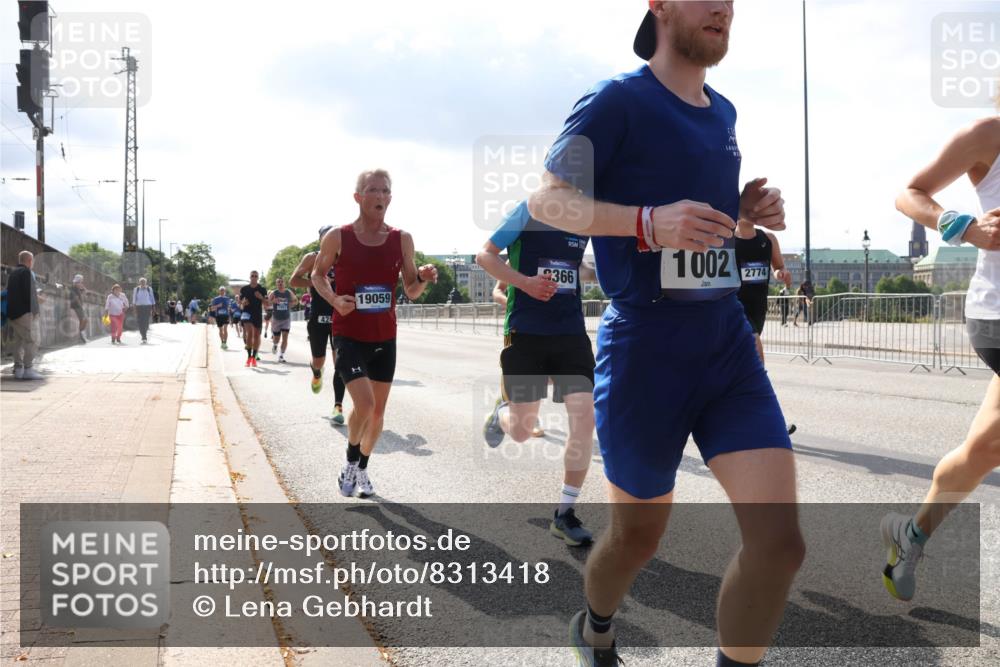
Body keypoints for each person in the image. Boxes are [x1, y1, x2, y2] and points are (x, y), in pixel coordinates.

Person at [527, 4, 803, 665]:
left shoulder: (725, 112)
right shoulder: (617, 101)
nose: (722, 8)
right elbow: (547, 201)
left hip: (725, 343)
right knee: (636, 539)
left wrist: (742, 216)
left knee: (780, 544)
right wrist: (647, 222)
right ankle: (595, 625)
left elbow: (700, 230)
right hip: (645, 349)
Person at [880, 109, 1000, 601]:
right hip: (998, 315)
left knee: (983, 451)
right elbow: (909, 194)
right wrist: (965, 228)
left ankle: (912, 534)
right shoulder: (987, 134)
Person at [311, 169, 438, 499]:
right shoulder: (338, 237)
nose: (381, 195)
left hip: (384, 336)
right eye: (373, 190)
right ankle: (351, 460)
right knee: (364, 405)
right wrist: (336, 300)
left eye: (386, 190)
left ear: (390, 198)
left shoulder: (402, 239)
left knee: (378, 413)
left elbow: (410, 290)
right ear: (358, 197)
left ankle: (362, 467)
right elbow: (317, 275)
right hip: (348, 333)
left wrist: (424, 277)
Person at [479, 200, 599, 546]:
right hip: (527, 333)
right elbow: (484, 256)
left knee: (584, 416)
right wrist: (525, 283)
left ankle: (565, 513)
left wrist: (599, 273)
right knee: (520, 430)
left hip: (571, 335)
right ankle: (501, 412)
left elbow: (578, 269)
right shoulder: (528, 211)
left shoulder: (588, 218)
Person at [735, 220, 797, 436]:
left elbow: (778, 267)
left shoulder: (767, 239)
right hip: (733, 309)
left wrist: (781, 274)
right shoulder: (725, 239)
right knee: (757, 361)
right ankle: (771, 422)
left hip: (757, 310)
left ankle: (739, 418)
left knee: (741, 371)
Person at [291, 225, 348, 424]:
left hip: (339, 313)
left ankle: (338, 406)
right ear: (321, 240)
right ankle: (316, 372)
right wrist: (317, 282)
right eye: (327, 237)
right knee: (319, 360)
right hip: (318, 315)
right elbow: (294, 280)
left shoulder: (344, 256)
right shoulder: (311, 258)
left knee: (340, 362)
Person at [493, 278, 546, 439]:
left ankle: (516, 407)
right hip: (518, 327)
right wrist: (510, 301)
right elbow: (496, 291)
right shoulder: (515, 257)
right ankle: (525, 416)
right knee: (527, 372)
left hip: (551, 325)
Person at [7, 251, 43, 380]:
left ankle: (18, 369)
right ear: (29, 261)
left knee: (19, 341)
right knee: (33, 340)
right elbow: (30, 294)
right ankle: (28, 369)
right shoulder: (26, 272)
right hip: (24, 313)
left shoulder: (13, 272)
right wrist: (35, 312)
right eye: (32, 261)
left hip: (12, 313)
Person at [240, 271, 268, 367]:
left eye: (256, 276)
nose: (254, 277)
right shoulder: (244, 289)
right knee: (250, 333)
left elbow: (267, 303)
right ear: (250, 277)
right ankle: (248, 357)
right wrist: (243, 303)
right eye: (252, 276)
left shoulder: (262, 289)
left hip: (257, 314)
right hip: (247, 313)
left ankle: (253, 357)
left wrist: (261, 297)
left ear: (258, 277)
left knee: (256, 336)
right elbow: (240, 303)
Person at [268, 277, 298, 362]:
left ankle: (281, 355)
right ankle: (275, 344)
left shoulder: (288, 292)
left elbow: (296, 301)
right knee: (276, 338)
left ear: (284, 283)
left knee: (285, 337)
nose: (280, 284)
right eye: (278, 282)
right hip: (276, 319)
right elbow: (267, 303)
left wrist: (291, 304)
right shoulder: (274, 293)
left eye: (281, 282)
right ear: (276, 284)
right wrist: (273, 301)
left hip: (286, 318)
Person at [132, 277, 156, 344]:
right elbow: (134, 300)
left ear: (146, 282)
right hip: (139, 307)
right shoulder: (136, 289)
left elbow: (152, 299)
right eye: (141, 282)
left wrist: (154, 308)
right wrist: (134, 309)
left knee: (146, 322)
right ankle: (143, 335)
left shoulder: (149, 289)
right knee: (140, 322)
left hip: (147, 307)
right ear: (139, 283)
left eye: (144, 282)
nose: (143, 283)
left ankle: (144, 336)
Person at [70, 274, 88, 343]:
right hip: (76, 306)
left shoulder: (78, 288)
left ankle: (81, 334)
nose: (81, 283)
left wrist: (83, 288)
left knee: (84, 320)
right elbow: (76, 298)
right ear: (77, 282)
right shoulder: (73, 288)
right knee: (84, 319)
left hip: (79, 306)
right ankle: (81, 333)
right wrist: (80, 305)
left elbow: (86, 292)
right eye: (80, 282)